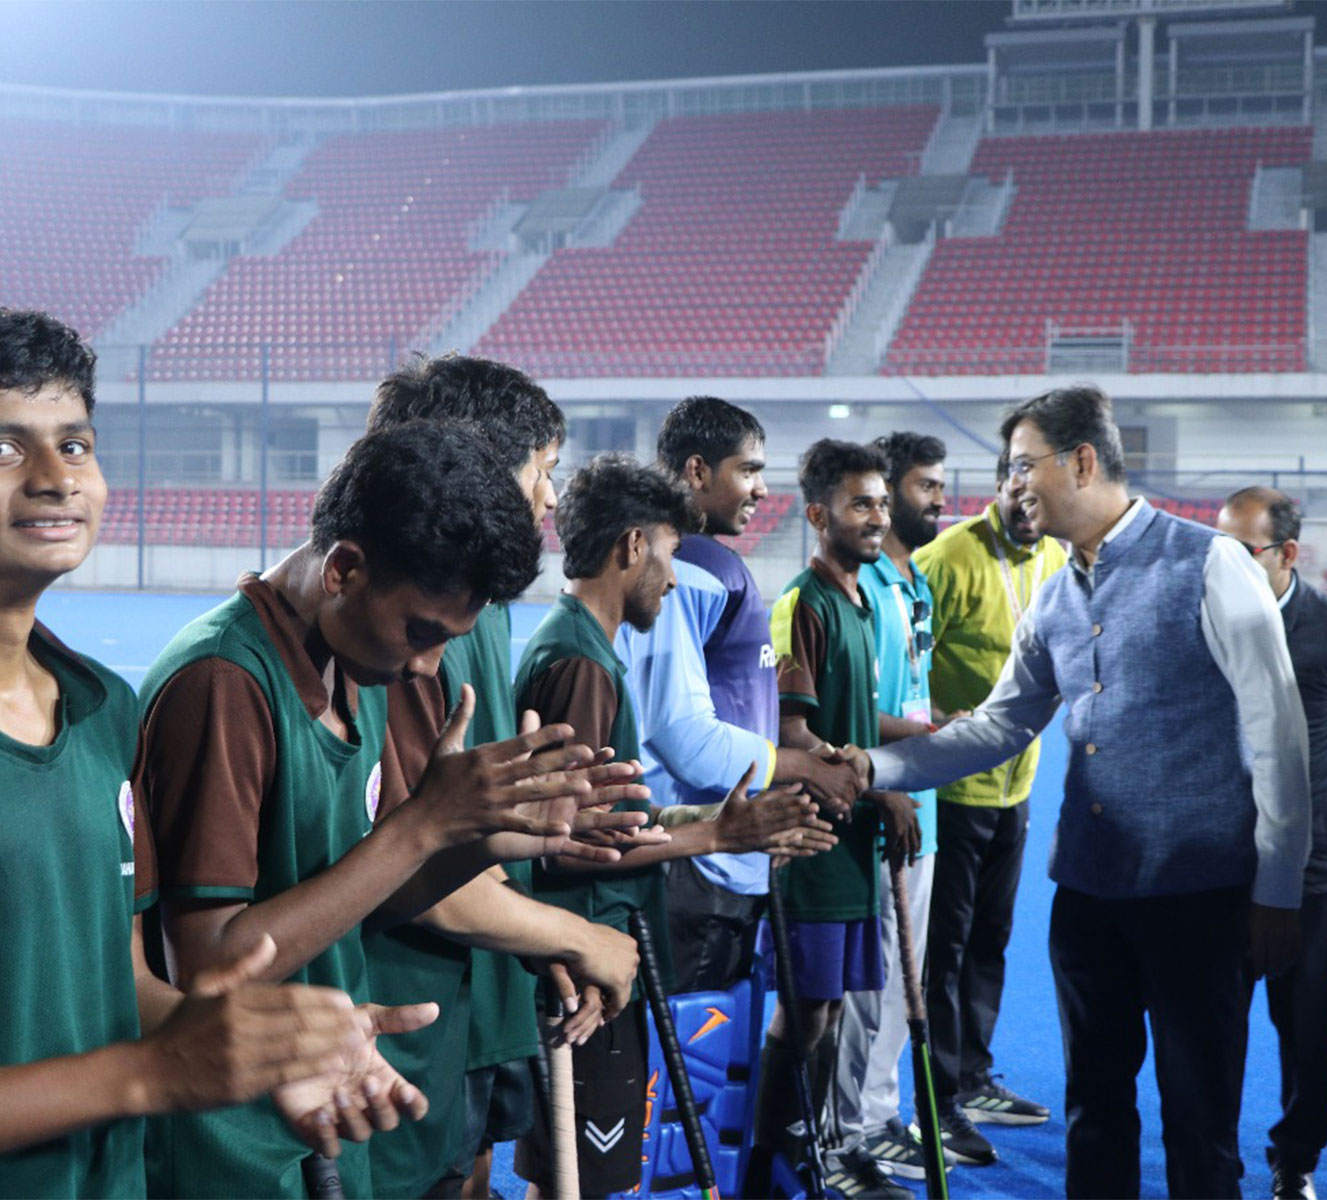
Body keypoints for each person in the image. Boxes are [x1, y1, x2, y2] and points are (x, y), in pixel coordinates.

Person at [137, 421, 643, 1198]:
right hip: (229, 1150)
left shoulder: (353, 669)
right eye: (422, 633)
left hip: (319, 1124)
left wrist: (484, 836)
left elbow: (367, 899)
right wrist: (421, 827)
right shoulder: (223, 685)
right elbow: (209, 965)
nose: (427, 666)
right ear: (344, 569)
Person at [0, 307, 413, 1196]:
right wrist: (146, 1077)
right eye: (5, 448)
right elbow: (137, 1066)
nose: (53, 479)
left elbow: (120, 985)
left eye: (74, 446)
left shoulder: (101, 710)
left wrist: (262, 1051)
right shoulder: (216, 675)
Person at [861, 387, 1311, 1198]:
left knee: (1200, 1122)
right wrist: (869, 770)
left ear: (1083, 461)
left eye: (1021, 465)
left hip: (1199, 898)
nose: (1013, 485)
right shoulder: (1054, 593)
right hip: (1088, 899)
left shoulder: (1212, 563)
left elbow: (1279, 735)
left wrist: (1278, 890)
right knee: (1093, 1116)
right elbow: (999, 726)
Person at [513, 453, 832, 1200]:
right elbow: (563, 845)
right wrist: (713, 838)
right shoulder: (582, 667)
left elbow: (601, 819)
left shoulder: (586, 650)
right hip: (582, 963)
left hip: (591, 953)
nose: (674, 578)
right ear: (632, 546)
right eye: (669, 553)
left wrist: (719, 819)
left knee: (578, 1177)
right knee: (579, 1181)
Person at [363, 353, 574, 1200]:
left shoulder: (480, 608)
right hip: (402, 1011)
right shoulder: (395, 627)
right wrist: (566, 934)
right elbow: (409, 858)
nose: (550, 497)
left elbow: (471, 820)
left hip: (478, 988)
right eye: (542, 470)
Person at [623, 395, 860, 997]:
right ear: (697, 471)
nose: (761, 489)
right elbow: (682, 738)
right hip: (693, 861)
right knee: (690, 1044)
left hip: (727, 855)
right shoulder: (683, 571)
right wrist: (805, 768)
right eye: (748, 470)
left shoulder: (711, 564)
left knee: (723, 1037)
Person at [752, 438, 919, 1200]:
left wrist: (924, 740)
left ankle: (807, 1158)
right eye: (860, 504)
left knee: (828, 1009)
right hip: (813, 843)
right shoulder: (803, 604)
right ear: (818, 515)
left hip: (853, 847)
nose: (878, 517)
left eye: (882, 503)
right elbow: (793, 734)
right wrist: (879, 789)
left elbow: (854, 721)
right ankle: (770, 1170)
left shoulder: (862, 600)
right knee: (804, 1011)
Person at [1217, 488, 1327, 1200]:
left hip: (1315, 878)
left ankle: (1296, 1159)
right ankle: (1212, 1159)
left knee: (1306, 1026)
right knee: (1212, 1028)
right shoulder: (1207, 623)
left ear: (1288, 553)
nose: (1225, 567)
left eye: (1243, 553)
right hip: (1221, 870)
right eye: (1218, 551)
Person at [909, 449, 1065, 1164]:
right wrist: (939, 724)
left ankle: (974, 1077)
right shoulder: (947, 557)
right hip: (951, 787)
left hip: (1017, 785)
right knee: (944, 949)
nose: (1029, 508)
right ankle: (938, 1097)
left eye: (1039, 497)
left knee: (990, 940)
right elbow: (908, 664)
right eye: (1018, 491)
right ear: (1002, 484)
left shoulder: (1055, 558)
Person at [832, 431, 947, 1184]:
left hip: (922, 811)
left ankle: (879, 1114)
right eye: (923, 487)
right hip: (880, 807)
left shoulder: (914, 581)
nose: (938, 499)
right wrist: (919, 754)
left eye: (940, 485)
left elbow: (911, 696)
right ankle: (845, 1129)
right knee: (867, 984)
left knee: (905, 983)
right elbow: (851, 712)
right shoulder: (862, 586)